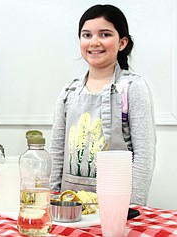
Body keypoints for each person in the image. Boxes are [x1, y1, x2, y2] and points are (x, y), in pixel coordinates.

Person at [49, 4, 156, 206]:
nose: (94, 42)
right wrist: (52, 197)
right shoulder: (68, 92)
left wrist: (133, 207)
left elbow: (144, 156)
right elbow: (57, 150)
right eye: (87, 35)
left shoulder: (132, 87)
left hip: (117, 203)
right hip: (69, 203)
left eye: (105, 34)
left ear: (122, 42)